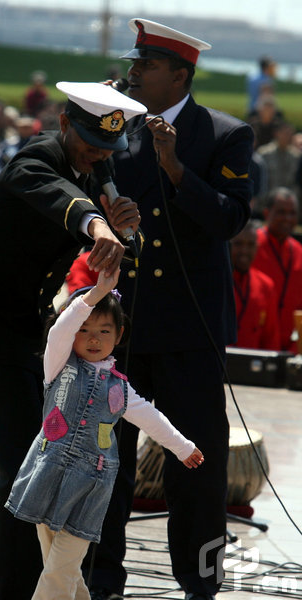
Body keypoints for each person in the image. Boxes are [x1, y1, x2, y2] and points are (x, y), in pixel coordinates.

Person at [0, 81, 147, 600]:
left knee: (34, 468)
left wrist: (123, 231)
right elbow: (56, 195)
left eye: (107, 147)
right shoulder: (35, 158)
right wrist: (97, 224)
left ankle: (1, 590)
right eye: (91, 141)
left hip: (31, 335)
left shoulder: (95, 169)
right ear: (66, 123)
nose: (98, 155)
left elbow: (106, 236)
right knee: (22, 471)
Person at [83, 18, 254, 600]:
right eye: (134, 65)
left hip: (189, 327)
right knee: (108, 458)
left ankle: (199, 579)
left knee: (195, 463)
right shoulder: (119, 130)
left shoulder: (225, 134)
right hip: (126, 326)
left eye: (146, 66)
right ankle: (101, 577)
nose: (133, 74)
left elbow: (231, 218)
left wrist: (178, 169)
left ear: (180, 75)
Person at [6, 268, 204, 600]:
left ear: (119, 334)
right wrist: (97, 294)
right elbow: (61, 329)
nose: (93, 338)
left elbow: (152, 419)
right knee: (60, 563)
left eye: (103, 330)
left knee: (60, 566)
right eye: (83, 330)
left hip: (90, 485)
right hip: (47, 473)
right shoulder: (58, 365)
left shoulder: (120, 390)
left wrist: (182, 447)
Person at [252, 187, 302, 353]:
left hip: (292, 348)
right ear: (267, 213)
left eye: (292, 213)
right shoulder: (250, 247)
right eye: (281, 212)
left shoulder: (299, 252)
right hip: (254, 344)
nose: (287, 218)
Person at [230, 220, 280, 350]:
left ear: (257, 247)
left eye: (251, 244)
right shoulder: (215, 282)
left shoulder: (266, 286)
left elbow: (270, 337)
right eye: (238, 244)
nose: (244, 251)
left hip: (252, 365)